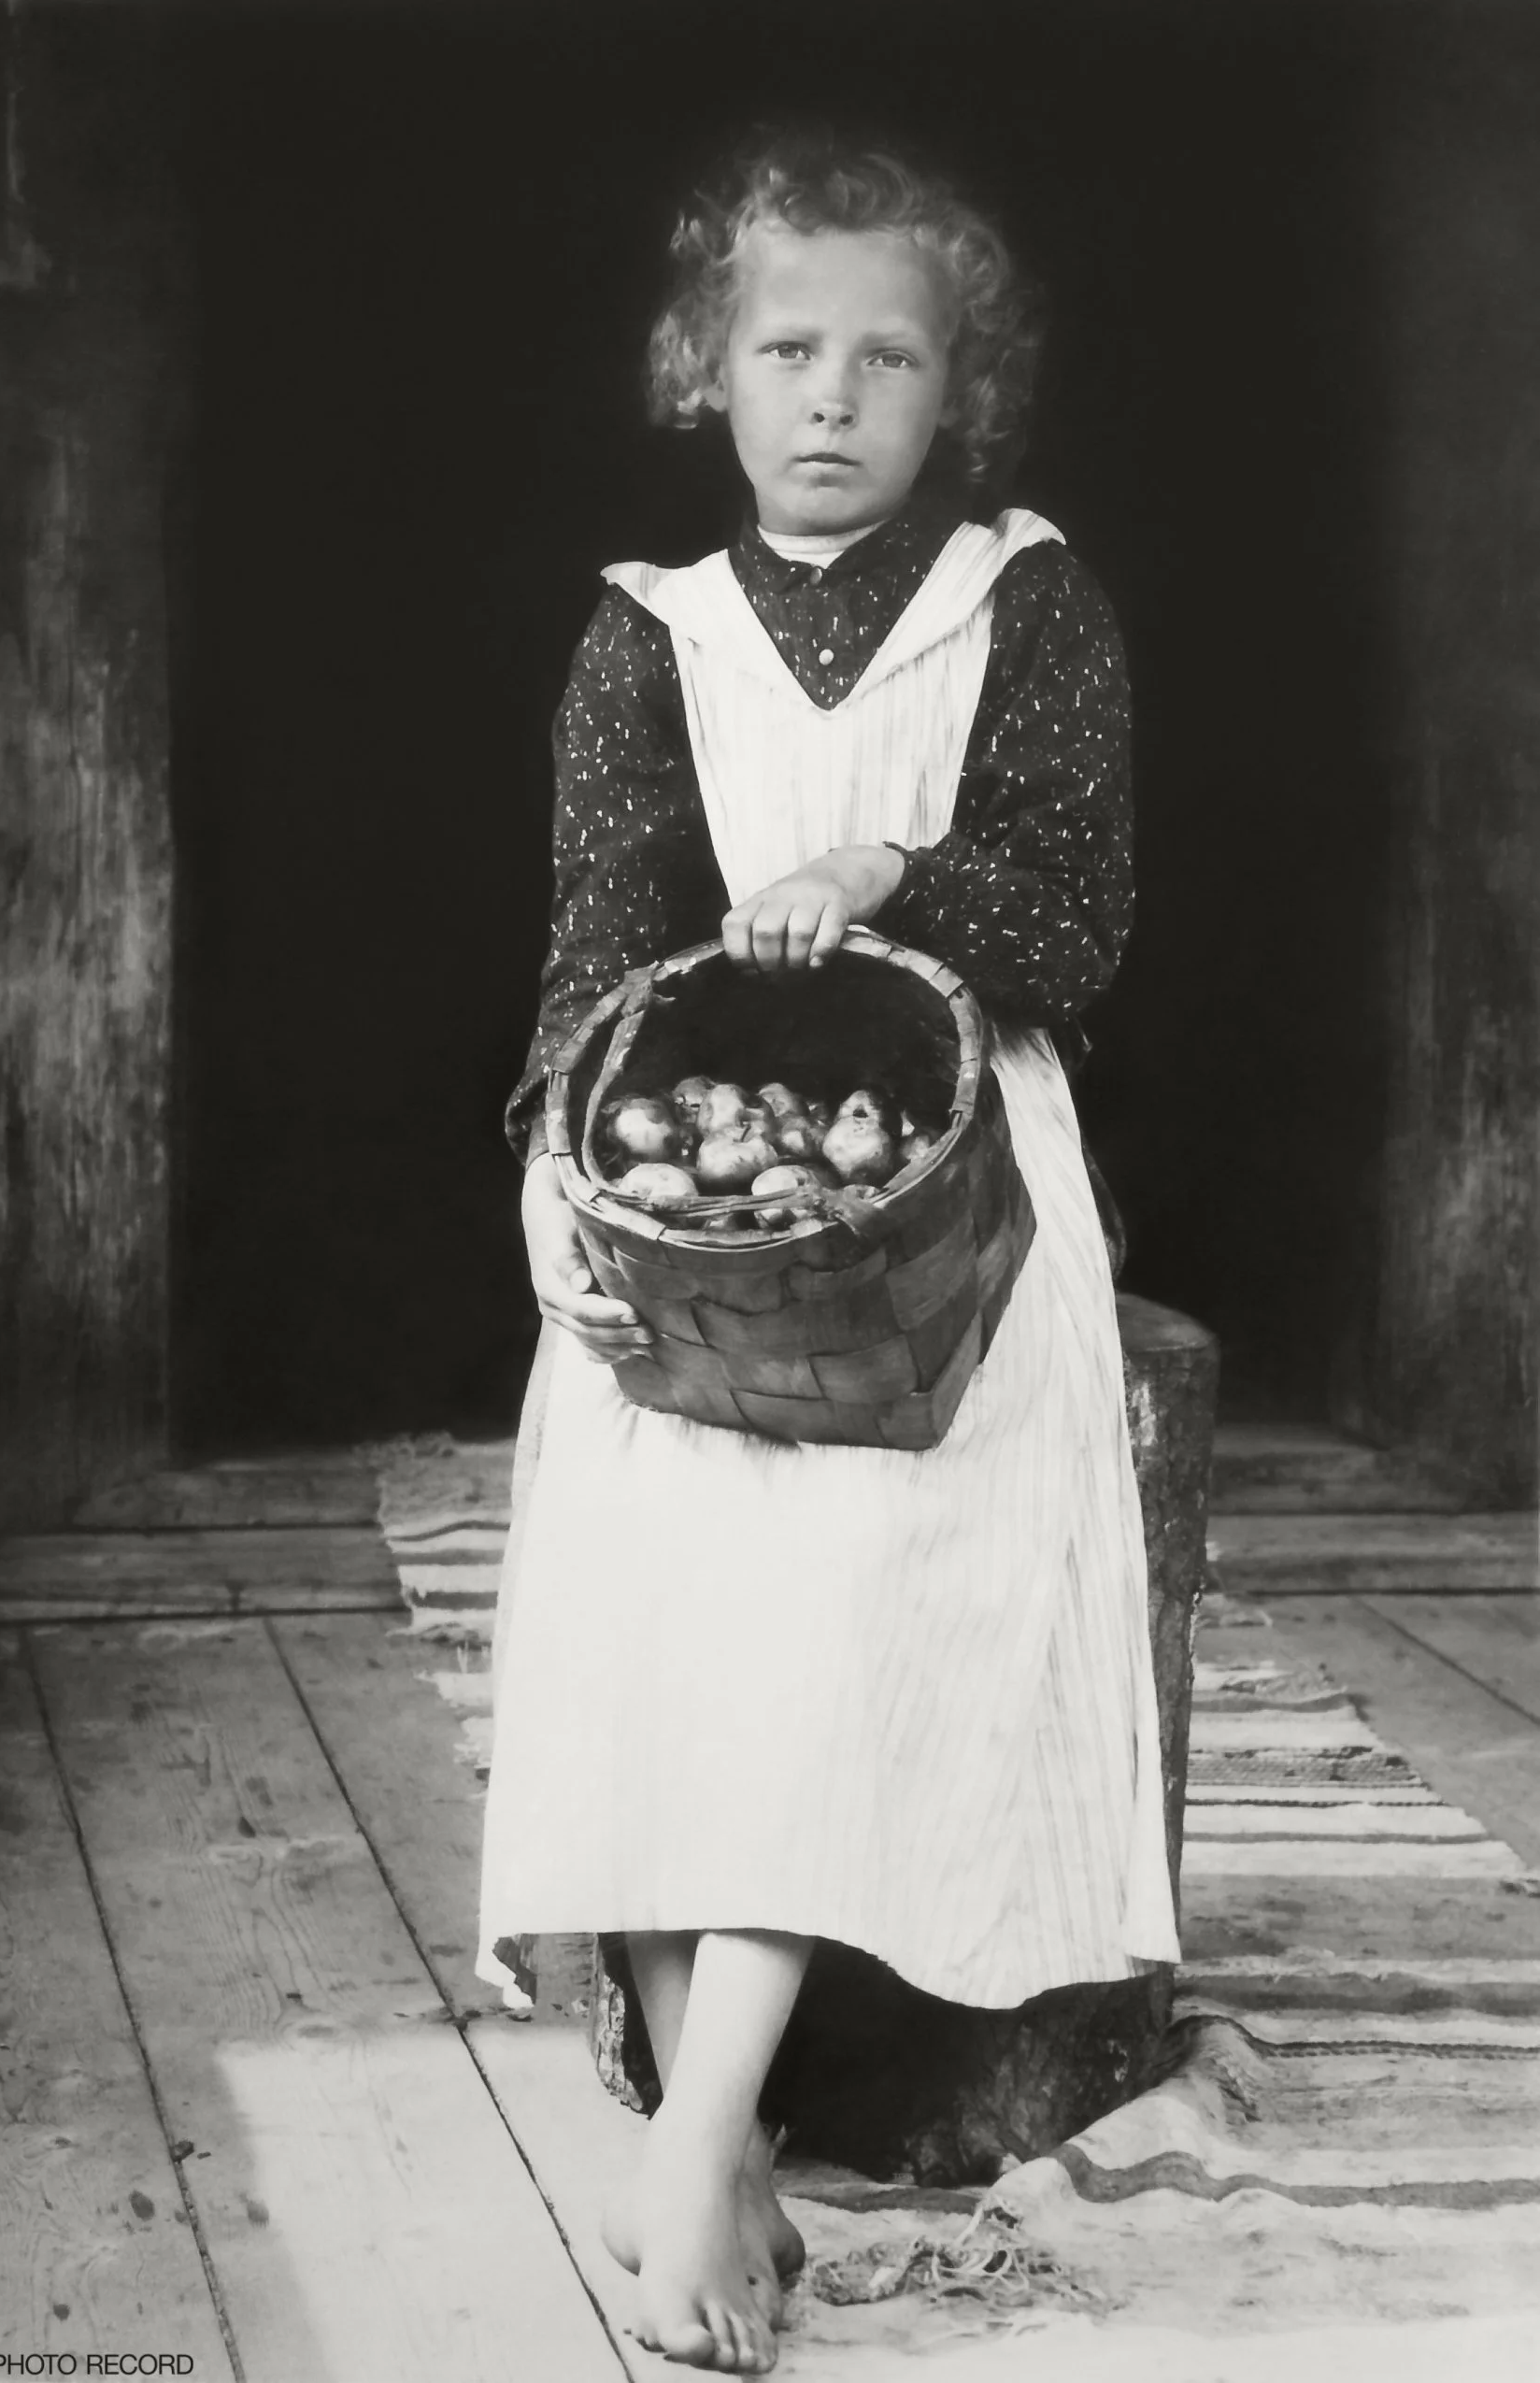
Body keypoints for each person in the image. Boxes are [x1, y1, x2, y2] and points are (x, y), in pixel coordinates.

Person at [477, 132, 1178, 2375]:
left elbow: (1075, 918)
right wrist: (553, 1194)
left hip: (950, 1220)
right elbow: (595, 973)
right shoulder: (643, 638)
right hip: (694, 1210)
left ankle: (687, 2152)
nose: (832, 395)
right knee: (647, 1566)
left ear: (954, 391)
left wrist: (883, 870)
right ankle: (723, 2142)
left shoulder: (1024, 599)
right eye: (786, 347)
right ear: (707, 367)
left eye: (890, 355)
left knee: (846, 1586)